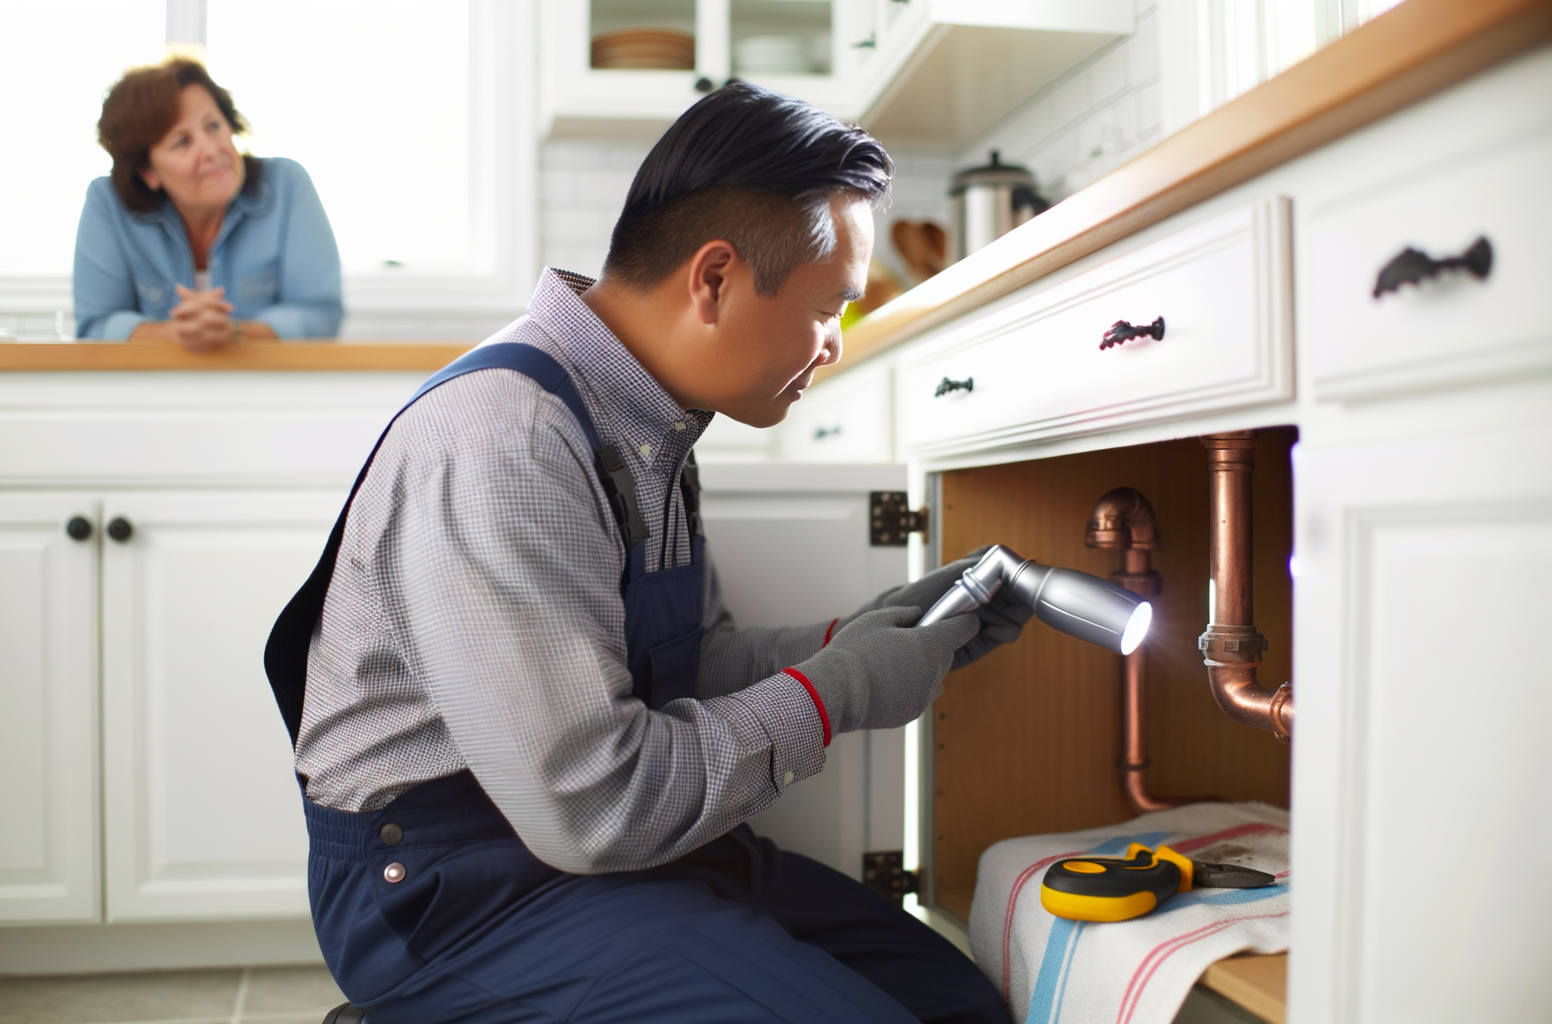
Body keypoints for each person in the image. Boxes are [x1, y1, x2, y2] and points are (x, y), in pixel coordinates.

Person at [265, 83, 1025, 1023]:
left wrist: (866, 634)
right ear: (713, 280)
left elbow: (686, 666)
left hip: (609, 845)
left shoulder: (651, 420)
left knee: (960, 1005)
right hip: (453, 891)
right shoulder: (508, 441)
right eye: (830, 307)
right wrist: (845, 687)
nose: (832, 346)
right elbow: (594, 802)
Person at [74, 58, 342, 348]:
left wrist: (234, 332)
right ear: (147, 171)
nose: (212, 150)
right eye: (182, 142)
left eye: (213, 126)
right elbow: (95, 326)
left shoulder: (287, 183)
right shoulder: (107, 201)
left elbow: (321, 314)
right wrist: (177, 334)